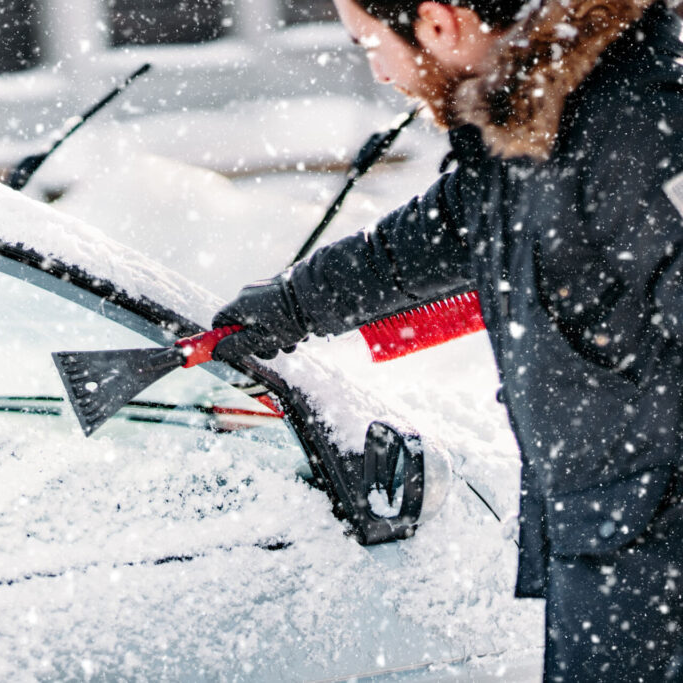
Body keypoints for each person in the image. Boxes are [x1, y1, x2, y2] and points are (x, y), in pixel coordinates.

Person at [211, 0, 683, 679]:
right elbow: (411, 248)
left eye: (369, 43)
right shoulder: (531, 131)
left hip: (653, 549)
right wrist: (285, 307)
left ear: (438, 23)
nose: (377, 71)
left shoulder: (637, 132)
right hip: (614, 538)